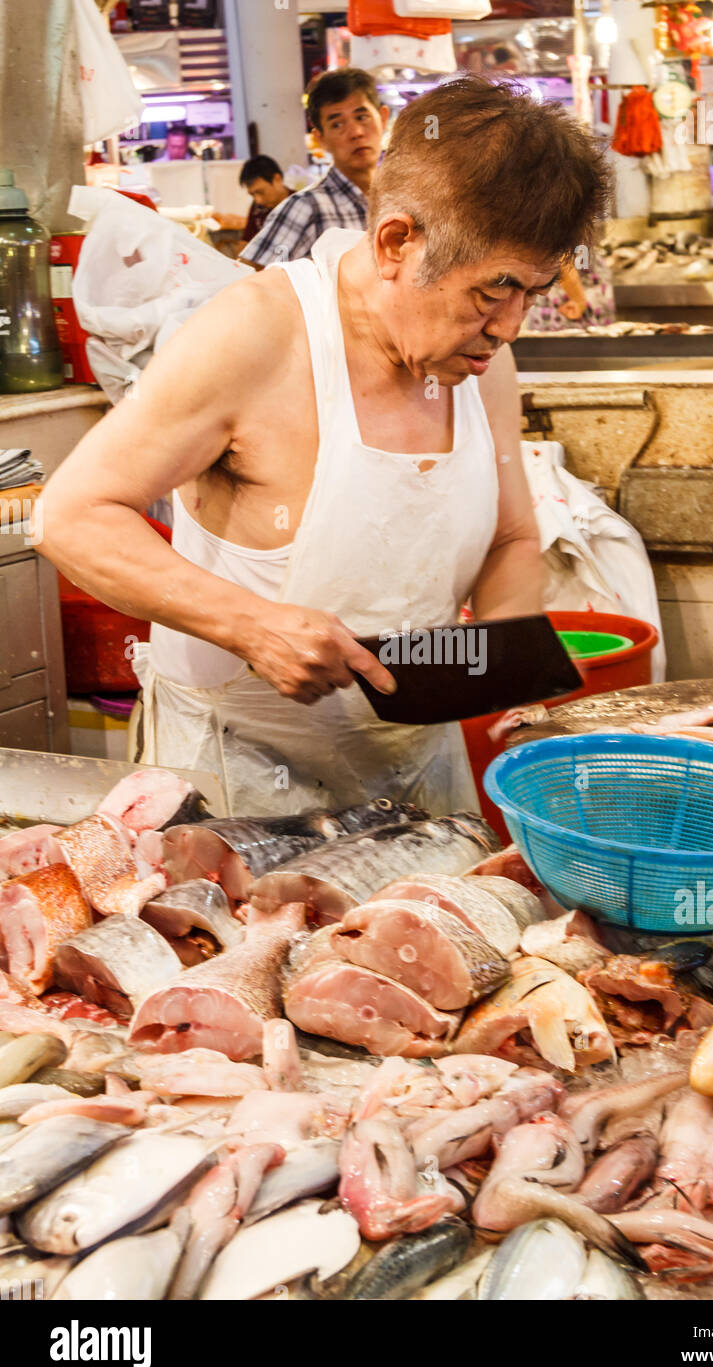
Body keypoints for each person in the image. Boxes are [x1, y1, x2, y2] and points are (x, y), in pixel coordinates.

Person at [38, 77, 608, 817]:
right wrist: (249, 624)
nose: (510, 327)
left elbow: (511, 537)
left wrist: (501, 689)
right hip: (234, 787)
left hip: (415, 774)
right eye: (493, 290)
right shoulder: (257, 335)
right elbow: (71, 515)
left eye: (532, 292)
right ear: (397, 241)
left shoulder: (481, 360)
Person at [241, 68, 389, 268]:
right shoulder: (307, 208)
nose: (356, 132)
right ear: (320, 139)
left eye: (362, 117)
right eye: (337, 124)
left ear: (383, 118)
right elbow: (250, 278)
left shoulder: (404, 198)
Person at [214, 156, 292, 252]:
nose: (258, 200)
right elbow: (246, 243)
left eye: (261, 192)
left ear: (277, 179)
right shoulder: (257, 208)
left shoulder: (300, 204)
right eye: (252, 194)